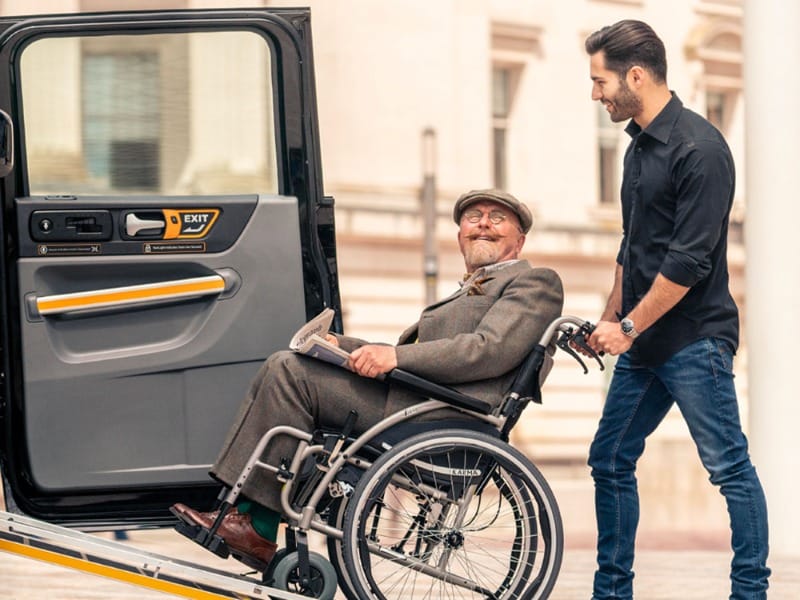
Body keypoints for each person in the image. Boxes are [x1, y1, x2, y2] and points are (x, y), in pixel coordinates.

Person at [172, 188, 564, 572]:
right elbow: (418, 354)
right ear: (460, 234)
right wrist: (340, 345)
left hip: (443, 415)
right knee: (290, 363)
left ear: (520, 239)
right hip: (416, 401)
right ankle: (247, 514)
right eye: (472, 217)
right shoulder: (472, 287)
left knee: (288, 372)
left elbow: (487, 350)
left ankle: (252, 525)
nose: (482, 224)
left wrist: (394, 356)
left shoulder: (535, 282)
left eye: (497, 218)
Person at [583, 20, 770, 600]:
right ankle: (612, 591)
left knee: (729, 469)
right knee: (609, 458)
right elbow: (631, 243)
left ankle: (751, 591)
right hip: (643, 339)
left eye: (600, 81)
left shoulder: (701, 149)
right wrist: (610, 318)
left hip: (694, 339)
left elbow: (687, 263)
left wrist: (630, 325)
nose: (596, 94)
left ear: (635, 75)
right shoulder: (637, 146)